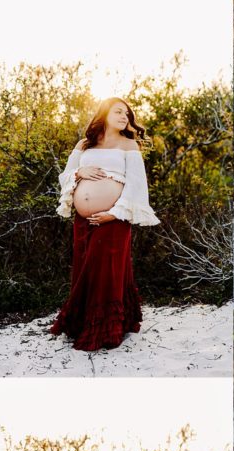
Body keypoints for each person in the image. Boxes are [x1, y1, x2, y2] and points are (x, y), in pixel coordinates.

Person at [53, 98, 159, 351]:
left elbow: (136, 183)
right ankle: (82, 323)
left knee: (106, 272)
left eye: (128, 114)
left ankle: (105, 329)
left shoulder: (128, 144)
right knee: (85, 270)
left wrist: (114, 213)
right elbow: (65, 175)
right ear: (105, 114)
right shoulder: (85, 144)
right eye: (119, 112)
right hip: (84, 220)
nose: (125, 117)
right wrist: (80, 173)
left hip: (112, 219)